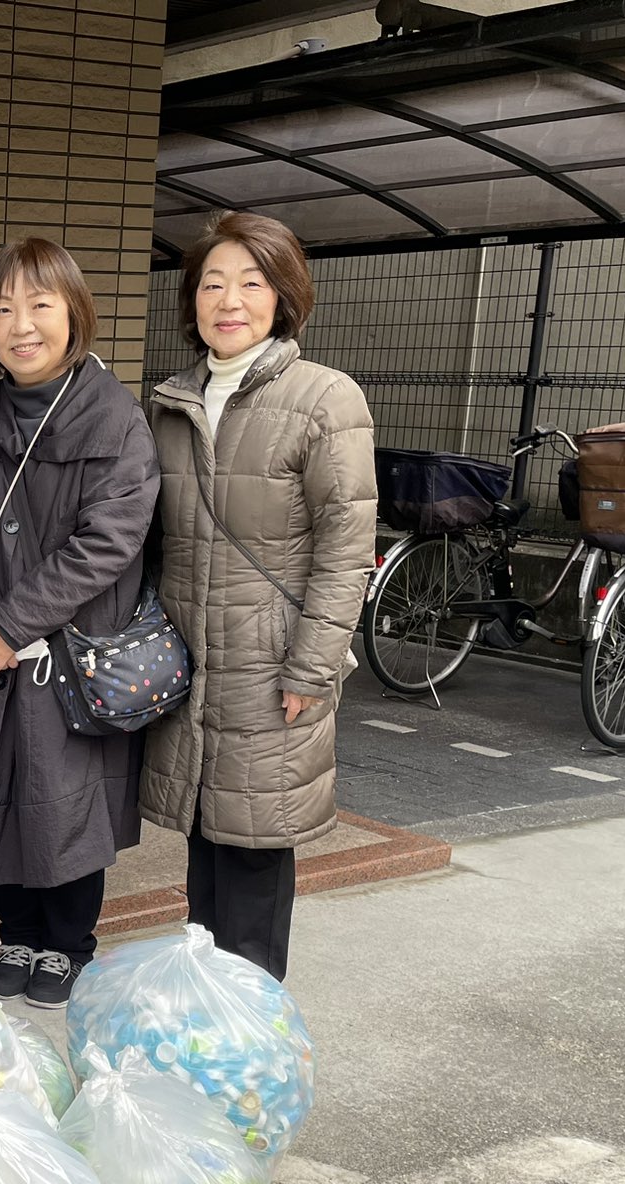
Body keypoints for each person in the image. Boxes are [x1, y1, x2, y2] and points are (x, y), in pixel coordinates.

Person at [0, 238, 159, 1009]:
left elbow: (111, 540)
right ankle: (16, 932)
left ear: (73, 313)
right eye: (2, 309)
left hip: (69, 649)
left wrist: (15, 621)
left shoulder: (115, 417)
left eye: (39, 305)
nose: (21, 325)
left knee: (66, 802)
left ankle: (68, 944)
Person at [141, 211, 377, 981]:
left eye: (250, 281)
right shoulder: (172, 400)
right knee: (207, 841)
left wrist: (312, 668)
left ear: (283, 295)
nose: (229, 300)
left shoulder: (324, 399)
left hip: (271, 666)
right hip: (192, 663)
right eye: (212, 283)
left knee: (253, 851)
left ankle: (250, 1039)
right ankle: (210, 1026)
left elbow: (347, 550)